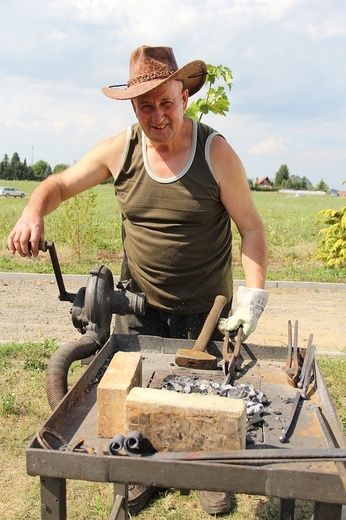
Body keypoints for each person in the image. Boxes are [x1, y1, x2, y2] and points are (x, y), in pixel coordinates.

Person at [8, 45, 269, 515]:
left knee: (208, 401)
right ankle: (140, 474)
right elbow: (60, 184)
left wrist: (251, 299)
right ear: (133, 108)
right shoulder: (121, 150)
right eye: (145, 105)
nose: (158, 115)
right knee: (139, 400)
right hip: (137, 308)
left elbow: (251, 228)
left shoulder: (216, 152)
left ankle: (209, 474)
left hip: (206, 314)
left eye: (166, 101)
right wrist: (32, 210)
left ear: (184, 96)